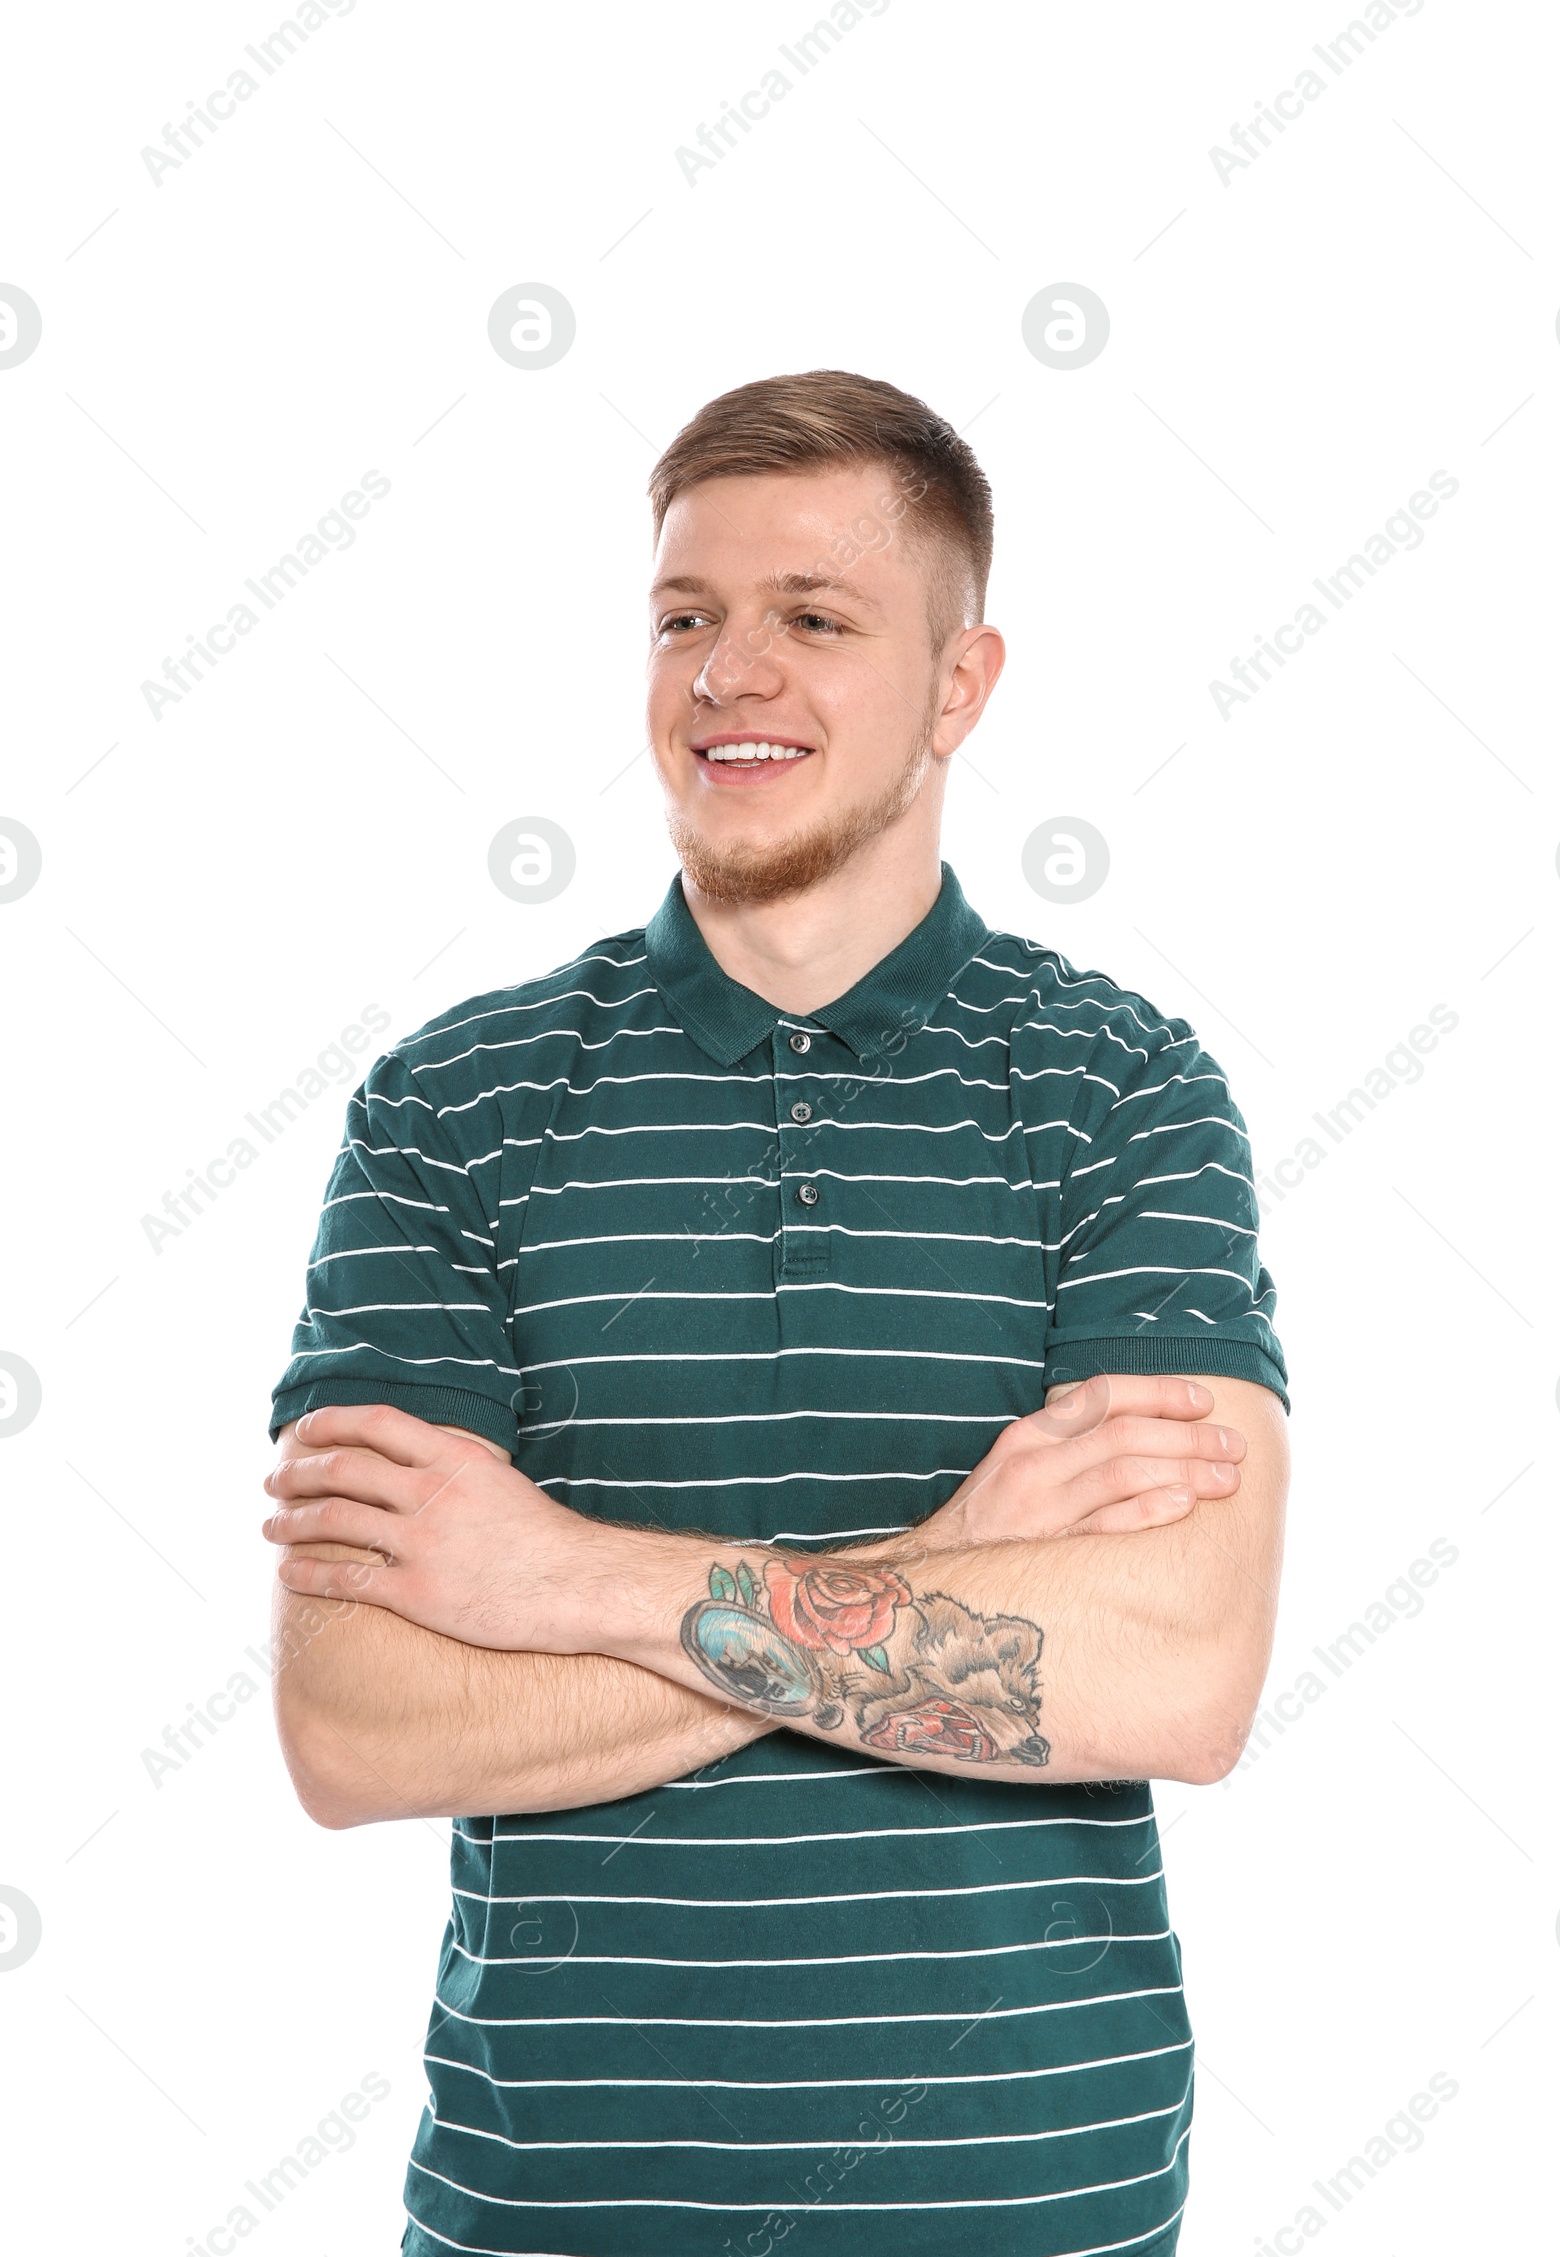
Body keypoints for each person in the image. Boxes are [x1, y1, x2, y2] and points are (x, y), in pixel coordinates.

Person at [262, 369, 1290, 2257]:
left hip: (1032, 2206)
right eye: (685, 617)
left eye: (814, 619)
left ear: (961, 685)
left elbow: (1175, 1678)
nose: (732, 672)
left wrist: (555, 1578)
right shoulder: (451, 1106)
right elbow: (357, 1721)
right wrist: (955, 1568)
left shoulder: (1121, 1090)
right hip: (554, 2211)